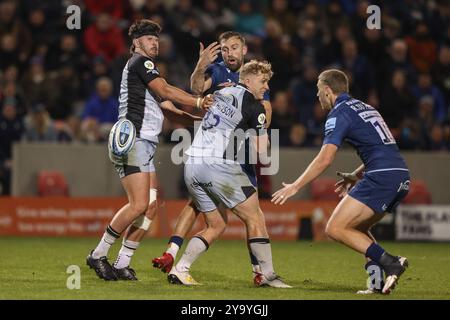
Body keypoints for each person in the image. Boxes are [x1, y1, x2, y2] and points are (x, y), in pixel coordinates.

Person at [86, 19, 211, 281]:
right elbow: (165, 90)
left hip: (145, 144)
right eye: (149, 38)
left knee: (151, 208)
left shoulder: (145, 72)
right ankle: (98, 254)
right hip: (134, 140)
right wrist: (199, 100)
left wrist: (200, 118)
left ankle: (122, 263)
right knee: (139, 204)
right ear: (136, 43)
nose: (155, 42)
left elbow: (168, 108)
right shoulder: (141, 63)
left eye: (156, 38)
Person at [271, 69, 410, 294]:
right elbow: (382, 147)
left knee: (334, 228)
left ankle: (392, 262)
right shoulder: (367, 107)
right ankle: (375, 283)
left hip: (381, 176)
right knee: (358, 228)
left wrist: (296, 186)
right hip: (399, 175)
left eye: (318, 92)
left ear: (327, 91)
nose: (317, 97)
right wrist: (355, 175)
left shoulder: (339, 113)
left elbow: (325, 158)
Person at [152, 31, 273, 285]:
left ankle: (177, 259)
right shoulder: (216, 71)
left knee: (213, 215)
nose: (229, 53)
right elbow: (196, 90)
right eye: (225, 49)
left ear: (244, 50)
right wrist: (200, 65)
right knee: (251, 215)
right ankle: (261, 272)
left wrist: (255, 127)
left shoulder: (254, 76)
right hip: (219, 154)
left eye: (234, 48)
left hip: (234, 153)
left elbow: (266, 110)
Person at [167, 60, 290, 288]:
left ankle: (181, 269)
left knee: (216, 224)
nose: (266, 87)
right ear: (248, 79)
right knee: (255, 217)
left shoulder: (220, 92)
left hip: (192, 163)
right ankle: (267, 275)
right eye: (263, 82)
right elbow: (262, 151)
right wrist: (262, 130)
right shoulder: (254, 105)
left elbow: (199, 98)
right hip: (218, 165)